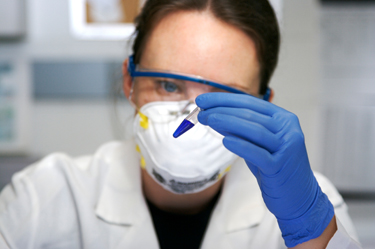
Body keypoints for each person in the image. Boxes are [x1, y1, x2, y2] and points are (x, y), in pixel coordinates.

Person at [0, 0, 361, 248]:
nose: (192, 115)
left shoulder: (310, 204)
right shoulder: (44, 197)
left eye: (225, 96)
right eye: (169, 85)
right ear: (130, 82)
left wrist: (311, 230)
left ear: (261, 105)